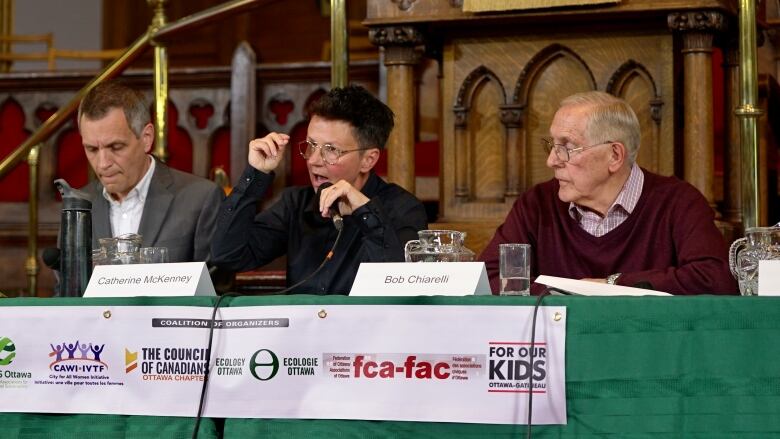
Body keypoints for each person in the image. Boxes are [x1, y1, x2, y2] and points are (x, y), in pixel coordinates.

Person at [479, 91, 738, 295]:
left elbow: (714, 278)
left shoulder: (678, 202)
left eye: (567, 147)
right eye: (552, 145)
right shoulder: (536, 205)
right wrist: (574, 293)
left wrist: (613, 285)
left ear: (614, 155)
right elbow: (490, 277)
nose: (551, 160)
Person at [211, 85, 428, 294]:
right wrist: (256, 174)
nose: (314, 160)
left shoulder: (403, 209)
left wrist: (366, 214)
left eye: (331, 150)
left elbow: (401, 286)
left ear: (368, 160)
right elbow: (228, 255)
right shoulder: (296, 203)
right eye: (311, 145)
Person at [78, 80, 222, 262]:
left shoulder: (200, 199)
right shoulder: (78, 206)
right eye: (92, 149)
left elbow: (216, 286)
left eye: (115, 147)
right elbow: (65, 289)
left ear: (146, 138)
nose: (103, 163)